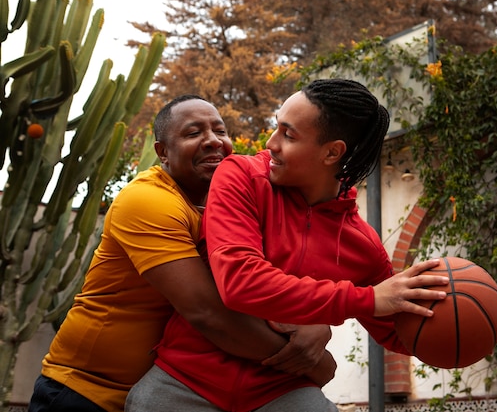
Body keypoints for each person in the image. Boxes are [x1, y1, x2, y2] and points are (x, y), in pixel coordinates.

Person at [126, 79, 497, 412]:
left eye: (288, 134)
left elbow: (398, 330)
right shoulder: (240, 176)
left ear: (332, 152)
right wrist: (366, 299)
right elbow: (240, 281)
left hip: (281, 388)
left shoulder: (363, 246)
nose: (271, 143)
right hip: (185, 381)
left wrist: (473, 326)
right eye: (277, 127)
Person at [28, 94, 336, 412]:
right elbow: (208, 312)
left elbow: (259, 285)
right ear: (162, 152)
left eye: (220, 131)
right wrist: (313, 364)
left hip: (171, 395)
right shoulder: (147, 200)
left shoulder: (229, 209)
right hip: (84, 393)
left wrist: (315, 323)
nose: (212, 141)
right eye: (193, 133)